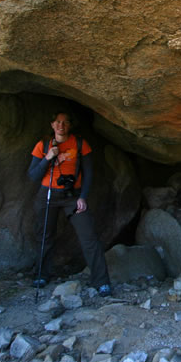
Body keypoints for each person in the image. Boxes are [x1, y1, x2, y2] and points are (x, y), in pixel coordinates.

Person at [27, 111, 112, 297]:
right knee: (44, 236)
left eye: (65, 122)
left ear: (70, 125)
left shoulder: (80, 145)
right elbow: (32, 175)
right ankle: (41, 274)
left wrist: (83, 196)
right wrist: (48, 158)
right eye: (57, 122)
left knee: (88, 236)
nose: (61, 125)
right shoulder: (43, 145)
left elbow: (89, 173)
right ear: (52, 124)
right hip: (47, 194)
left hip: (72, 196)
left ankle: (101, 281)